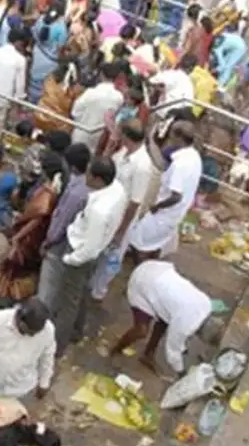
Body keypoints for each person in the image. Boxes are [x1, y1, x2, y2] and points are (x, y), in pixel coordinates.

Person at [41, 157, 127, 353]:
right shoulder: (117, 190)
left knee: (67, 303)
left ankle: (57, 346)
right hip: (91, 248)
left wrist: (70, 259)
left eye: (88, 174)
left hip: (80, 253)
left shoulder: (99, 211)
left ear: (98, 179)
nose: (84, 177)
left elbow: (89, 247)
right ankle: (78, 330)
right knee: (81, 292)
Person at [110, 259, 223, 376]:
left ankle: (148, 354)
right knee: (141, 330)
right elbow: (172, 351)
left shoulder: (206, 304)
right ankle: (116, 349)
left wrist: (181, 346)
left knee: (164, 321)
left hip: (157, 270)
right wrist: (181, 372)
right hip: (142, 284)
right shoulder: (184, 325)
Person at [91, 120, 155, 300]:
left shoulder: (142, 165)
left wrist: (121, 230)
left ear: (127, 137)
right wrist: (110, 149)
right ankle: (92, 283)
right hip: (109, 208)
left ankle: (99, 290)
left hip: (123, 216)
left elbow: (135, 202)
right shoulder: (124, 152)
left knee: (112, 256)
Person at [128, 121, 201, 259]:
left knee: (138, 242)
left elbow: (176, 196)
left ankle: (141, 269)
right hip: (174, 214)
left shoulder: (181, 164)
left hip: (164, 213)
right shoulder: (193, 157)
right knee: (151, 243)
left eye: (171, 133)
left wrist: (156, 207)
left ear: (178, 137)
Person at [71, 60, 125, 151]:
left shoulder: (90, 93)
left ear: (101, 75)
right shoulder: (119, 97)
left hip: (82, 133)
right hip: (99, 138)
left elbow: (75, 112)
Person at [33, 61, 82, 134]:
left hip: (40, 114)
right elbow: (74, 109)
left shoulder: (50, 77)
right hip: (58, 123)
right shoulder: (75, 88)